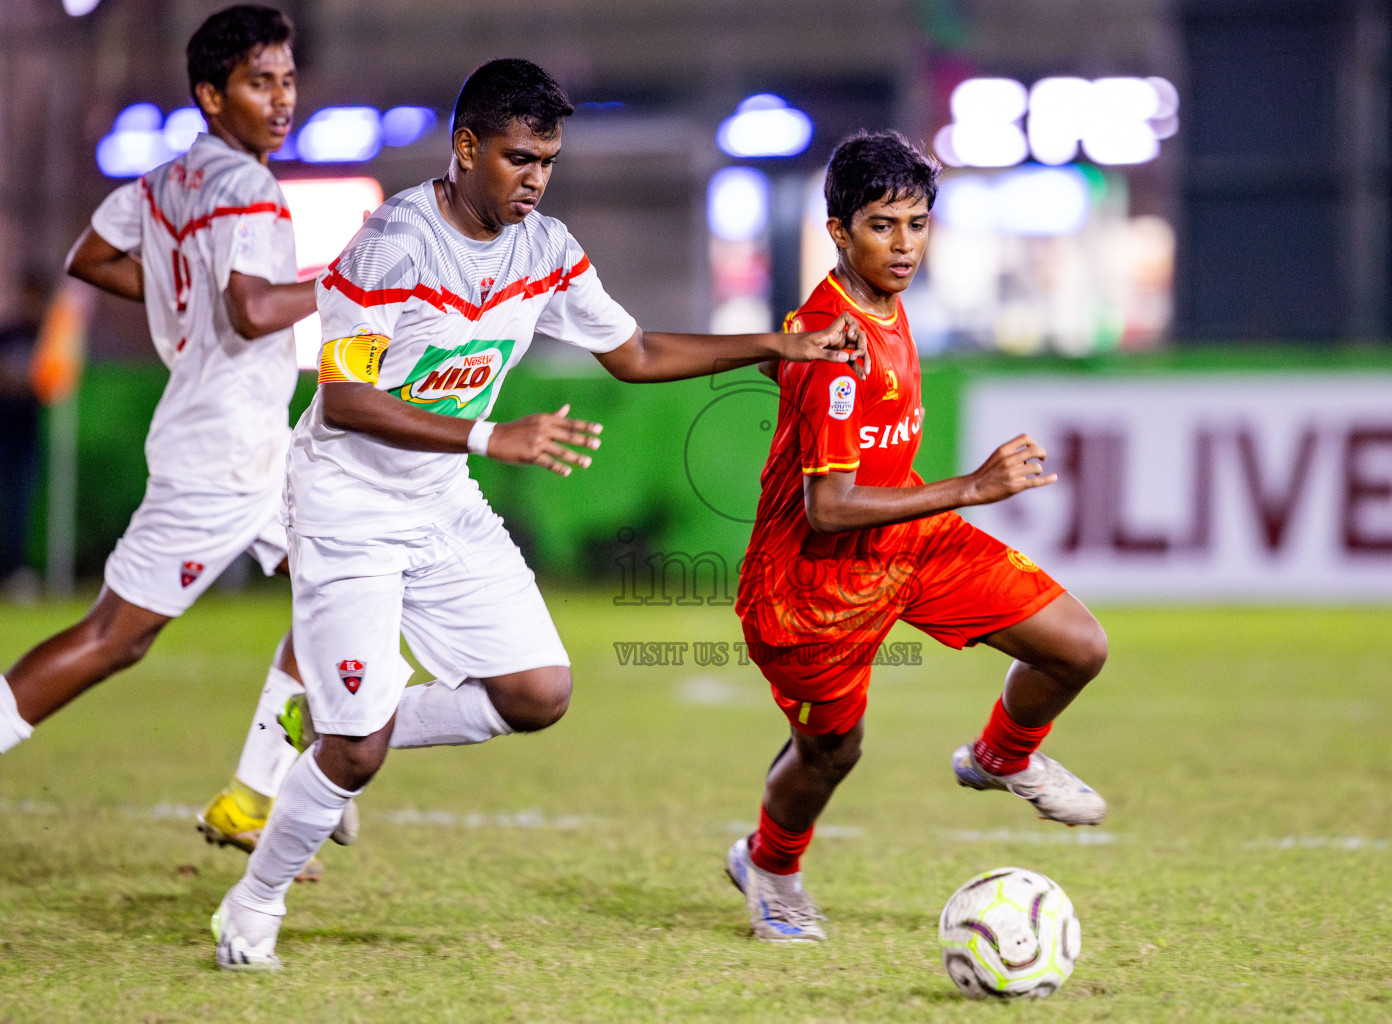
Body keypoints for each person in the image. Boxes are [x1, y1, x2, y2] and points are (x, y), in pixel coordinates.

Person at [209, 56, 866, 971]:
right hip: (348, 502)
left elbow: (633, 353)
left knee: (536, 693)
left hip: (437, 501)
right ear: (465, 146)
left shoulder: (547, 247)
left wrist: (777, 343)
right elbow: (348, 401)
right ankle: (255, 900)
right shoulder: (390, 244)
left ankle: (330, 724)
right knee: (356, 757)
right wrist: (491, 436)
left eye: (548, 161)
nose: (535, 179)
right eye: (519, 158)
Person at [724, 131, 1109, 942]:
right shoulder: (837, 346)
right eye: (881, 226)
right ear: (838, 231)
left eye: (917, 224)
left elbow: (799, 365)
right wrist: (973, 487)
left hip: (908, 539)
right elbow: (826, 508)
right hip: (811, 586)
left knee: (1076, 646)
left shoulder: (864, 310)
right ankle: (769, 864)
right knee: (832, 751)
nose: (903, 246)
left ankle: (1001, 757)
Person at [0, 6, 350, 875]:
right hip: (222, 450)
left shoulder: (164, 184)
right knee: (115, 635)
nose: (279, 100)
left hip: (244, 439)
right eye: (257, 83)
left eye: (287, 79)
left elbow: (90, 255)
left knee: (341, 580)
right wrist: (350, 285)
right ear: (210, 94)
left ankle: (251, 799)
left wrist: (173, 295)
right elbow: (253, 306)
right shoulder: (250, 186)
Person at [0, 269, 48, 597]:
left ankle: (14, 570)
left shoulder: (48, 337)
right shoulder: (9, 333)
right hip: (3, 429)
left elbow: (50, 380)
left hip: (27, 434)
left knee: (20, 505)